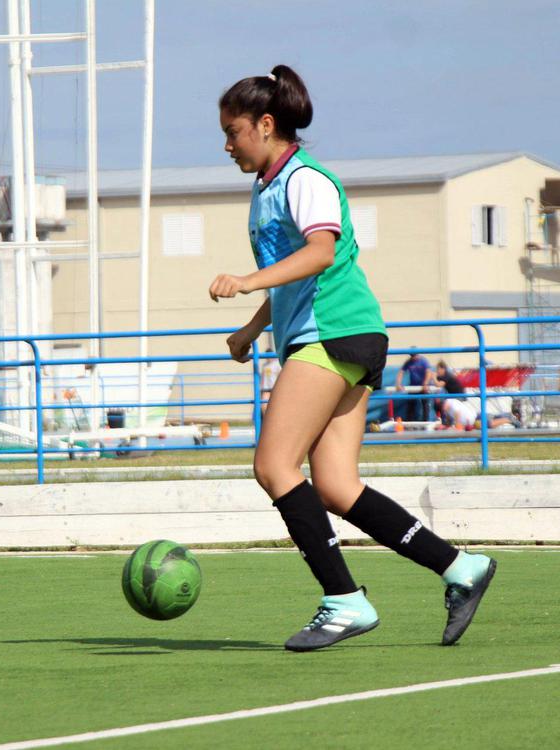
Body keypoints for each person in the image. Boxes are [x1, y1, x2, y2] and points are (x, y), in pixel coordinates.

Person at [208, 65, 495, 651]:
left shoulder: (304, 178)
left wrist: (245, 280)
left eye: (234, 131)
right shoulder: (267, 188)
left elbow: (319, 253)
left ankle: (344, 600)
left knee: (274, 466)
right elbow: (295, 276)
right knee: (336, 486)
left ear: (266, 125)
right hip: (348, 337)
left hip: (333, 335)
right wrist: (251, 327)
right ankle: (461, 567)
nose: (227, 144)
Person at [395, 351, 436, 422]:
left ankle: (426, 422)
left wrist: (425, 383)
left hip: (423, 386)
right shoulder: (409, 361)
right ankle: (409, 422)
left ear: (417, 354)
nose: (413, 357)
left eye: (414, 356)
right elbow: (401, 372)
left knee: (425, 404)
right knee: (410, 404)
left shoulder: (423, 361)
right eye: (412, 356)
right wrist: (398, 383)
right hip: (413, 386)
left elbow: (428, 372)